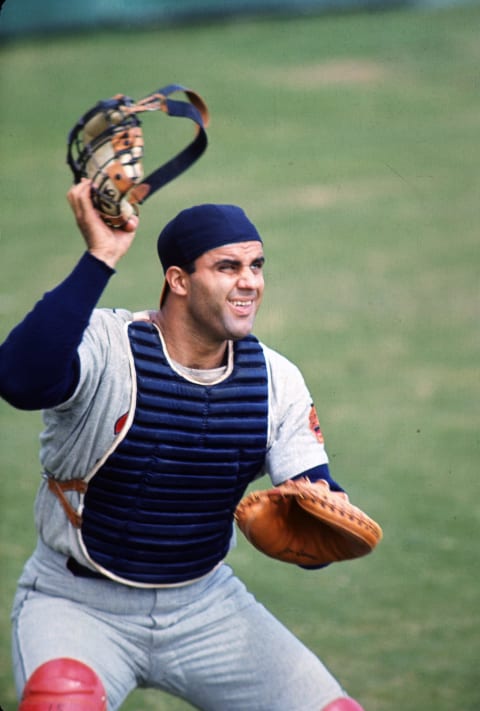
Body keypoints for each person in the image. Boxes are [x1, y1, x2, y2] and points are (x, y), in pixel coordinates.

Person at [0, 178, 366, 711]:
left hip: (204, 605)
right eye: (228, 267)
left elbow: (313, 499)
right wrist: (100, 257)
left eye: (257, 266)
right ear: (178, 280)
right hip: (76, 604)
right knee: (61, 700)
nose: (250, 283)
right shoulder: (109, 347)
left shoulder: (275, 379)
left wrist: (324, 517)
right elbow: (18, 380)